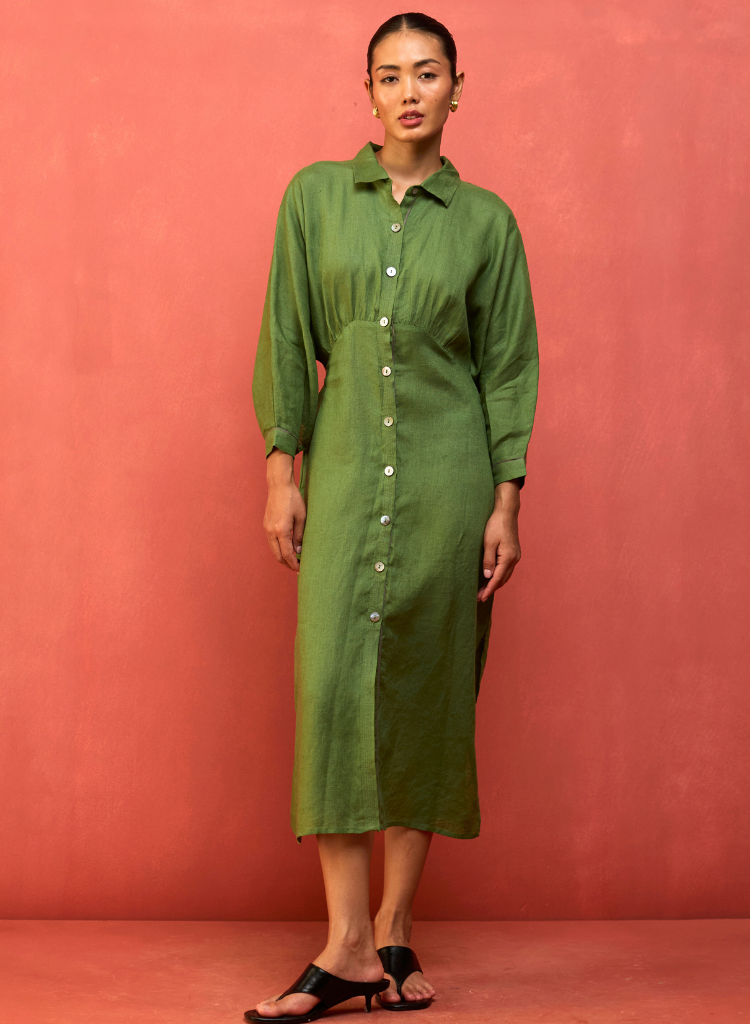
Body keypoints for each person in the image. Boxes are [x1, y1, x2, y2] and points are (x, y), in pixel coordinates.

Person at [246, 12, 539, 1023]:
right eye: (389, 75)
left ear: (459, 86)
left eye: (427, 73)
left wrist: (505, 501)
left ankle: (393, 928)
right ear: (366, 92)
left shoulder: (488, 223)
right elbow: (288, 334)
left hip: (450, 484)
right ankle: (347, 945)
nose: (409, 92)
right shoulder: (315, 198)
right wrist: (282, 470)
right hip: (341, 474)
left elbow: (506, 366)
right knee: (333, 689)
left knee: (425, 687)